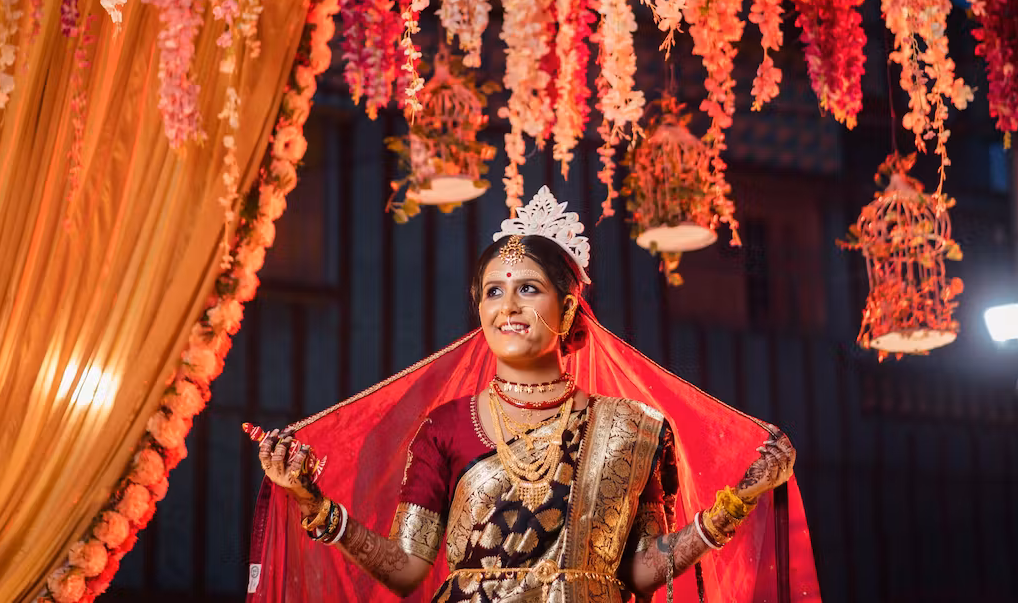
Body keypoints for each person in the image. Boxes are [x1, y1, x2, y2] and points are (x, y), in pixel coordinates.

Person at [246, 187, 821, 602]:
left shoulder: (634, 430)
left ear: (568, 309)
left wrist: (736, 503)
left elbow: (643, 569)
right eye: (493, 292)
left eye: (528, 289)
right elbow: (405, 568)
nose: (508, 307)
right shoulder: (445, 427)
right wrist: (313, 504)